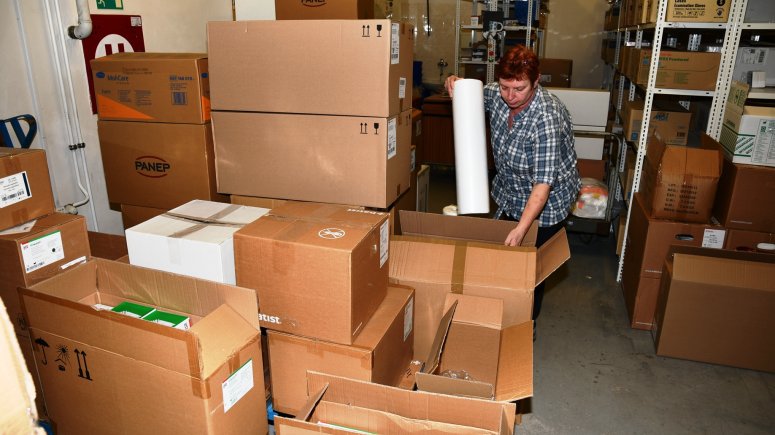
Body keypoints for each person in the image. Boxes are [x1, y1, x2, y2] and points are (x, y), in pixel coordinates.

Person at [445, 45, 581, 324]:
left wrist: (522, 229)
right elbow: (470, 92)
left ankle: (526, 324)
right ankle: (502, 310)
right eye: (505, 87)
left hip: (546, 204)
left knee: (531, 268)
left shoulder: (547, 117)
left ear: (536, 81)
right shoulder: (497, 95)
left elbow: (543, 185)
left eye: (519, 89)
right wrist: (454, 82)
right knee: (503, 256)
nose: (510, 96)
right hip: (511, 191)